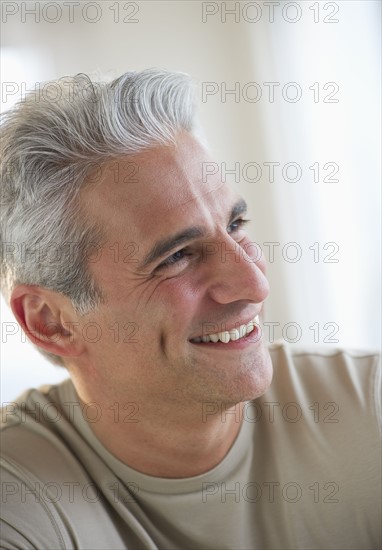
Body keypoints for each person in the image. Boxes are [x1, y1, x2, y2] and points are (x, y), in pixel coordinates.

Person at [0, 69, 380, 550]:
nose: (254, 284)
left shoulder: (370, 409)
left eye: (237, 224)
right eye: (176, 256)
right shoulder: (19, 507)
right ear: (50, 321)